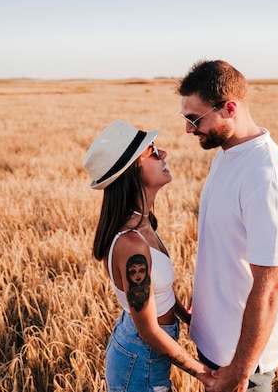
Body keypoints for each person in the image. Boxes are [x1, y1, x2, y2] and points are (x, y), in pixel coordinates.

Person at [177, 60, 278, 392]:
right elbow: (224, 243)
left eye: (194, 119)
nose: (189, 129)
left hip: (239, 355)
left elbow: (271, 286)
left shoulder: (266, 178)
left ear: (230, 108)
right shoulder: (229, 153)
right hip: (216, 339)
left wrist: (241, 370)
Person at [83, 119, 215, 391]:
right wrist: (204, 374)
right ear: (132, 171)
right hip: (139, 357)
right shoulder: (132, 244)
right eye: (153, 152)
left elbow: (156, 291)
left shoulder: (145, 224)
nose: (163, 154)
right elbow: (149, 330)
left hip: (143, 350)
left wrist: (186, 317)